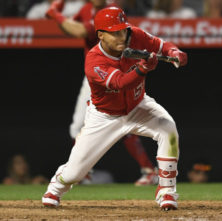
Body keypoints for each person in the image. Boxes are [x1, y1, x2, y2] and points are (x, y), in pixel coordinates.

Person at [42, 6, 187, 210]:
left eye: (123, 30)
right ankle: (56, 187)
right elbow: (120, 83)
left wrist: (174, 52)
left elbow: (161, 45)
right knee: (74, 173)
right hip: (105, 117)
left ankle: (167, 191)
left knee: (168, 129)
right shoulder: (94, 60)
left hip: (138, 106)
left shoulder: (134, 35)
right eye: (115, 32)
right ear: (100, 35)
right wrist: (143, 68)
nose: (122, 36)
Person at [45, 0, 158, 186]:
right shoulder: (86, 9)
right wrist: (58, 16)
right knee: (86, 126)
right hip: (97, 74)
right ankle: (87, 172)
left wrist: (55, 14)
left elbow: (80, 31)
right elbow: (70, 28)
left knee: (118, 120)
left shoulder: (109, 11)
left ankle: (85, 173)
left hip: (111, 70)